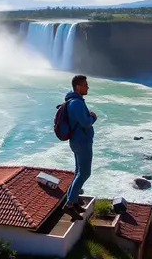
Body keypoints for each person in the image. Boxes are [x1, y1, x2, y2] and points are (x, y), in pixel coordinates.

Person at [62, 74, 96, 220]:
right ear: (78, 87)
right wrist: (93, 117)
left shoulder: (73, 101)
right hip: (82, 142)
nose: (88, 87)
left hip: (77, 141)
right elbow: (85, 122)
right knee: (84, 173)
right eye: (85, 85)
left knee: (78, 172)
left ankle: (73, 202)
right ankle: (69, 204)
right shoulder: (76, 103)